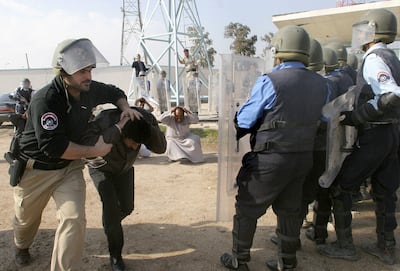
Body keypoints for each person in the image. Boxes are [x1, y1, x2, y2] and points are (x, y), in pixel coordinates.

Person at [11, 38, 141, 271]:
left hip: (68, 168)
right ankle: (22, 245)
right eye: (81, 71)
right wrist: (95, 151)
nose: (88, 76)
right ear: (64, 72)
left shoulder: (87, 89)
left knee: (73, 219)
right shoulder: (46, 99)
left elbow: (115, 92)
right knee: (25, 222)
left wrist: (125, 107)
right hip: (36, 170)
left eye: (89, 69)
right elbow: (53, 146)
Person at [220, 25, 328, 271]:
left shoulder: (271, 80)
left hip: (271, 159)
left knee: (247, 207)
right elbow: (325, 119)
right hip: (302, 159)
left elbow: (245, 120)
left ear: (279, 52)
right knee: (290, 210)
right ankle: (287, 263)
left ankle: (239, 259)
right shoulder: (322, 84)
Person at [318, 9, 400, 265]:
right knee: (385, 191)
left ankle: (345, 246)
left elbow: (391, 95)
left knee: (342, 186)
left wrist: (358, 117)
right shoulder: (392, 56)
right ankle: (386, 247)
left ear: (375, 29)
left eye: (364, 28)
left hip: (375, 134)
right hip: (392, 133)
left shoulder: (375, 57)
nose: (360, 33)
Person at [81, 106, 166, 271]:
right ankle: (116, 257)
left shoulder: (144, 122)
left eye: (138, 143)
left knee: (127, 207)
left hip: (124, 169)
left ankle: (110, 223)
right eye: (133, 142)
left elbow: (161, 148)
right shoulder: (104, 122)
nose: (135, 147)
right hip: (101, 169)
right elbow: (87, 150)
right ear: (122, 134)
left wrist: (148, 125)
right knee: (111, 208)